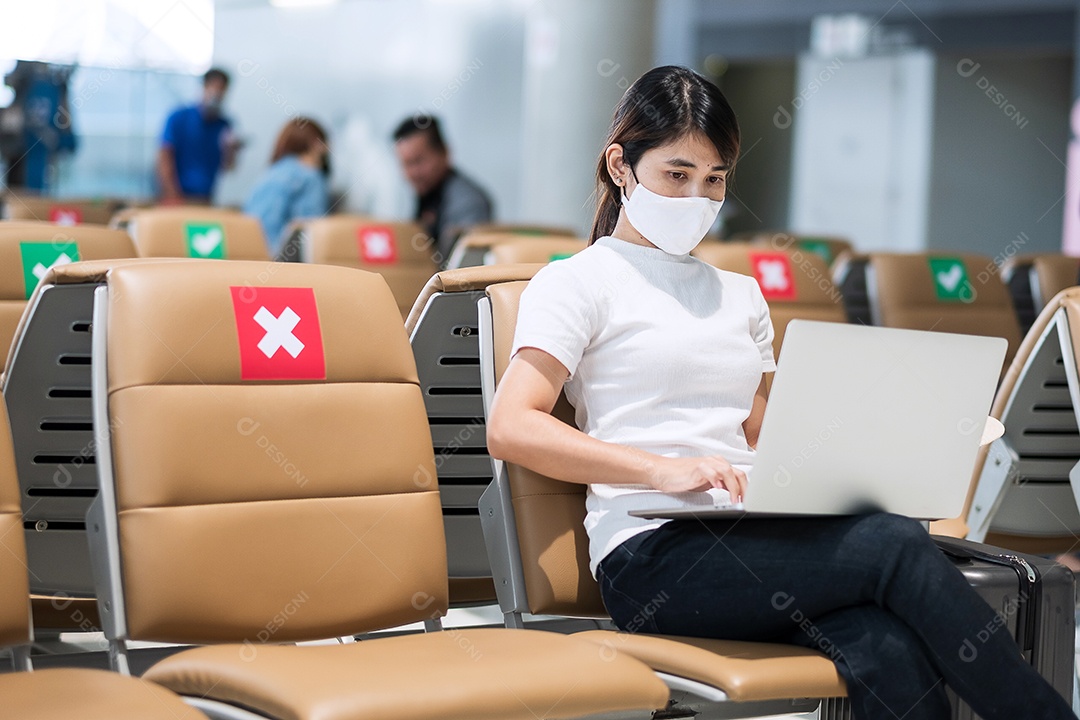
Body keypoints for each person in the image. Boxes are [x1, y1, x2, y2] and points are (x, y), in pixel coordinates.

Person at [486, 65, 1075, 720]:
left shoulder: (739, 294)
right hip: (650, 554)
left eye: (713, 180)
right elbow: (512, 426)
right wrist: (659, 467)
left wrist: (868, 463)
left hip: (756, 539)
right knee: (891, 546)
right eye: (676, 175)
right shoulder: (576, 283)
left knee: (886, 647)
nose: (697, 198)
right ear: (621, 165)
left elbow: (761, 435)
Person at [392, 114, 492, 265]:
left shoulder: (469, 204)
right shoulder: (424, 194)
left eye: (418, 161)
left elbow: (462, 272)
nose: (412, 173)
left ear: (445, 153)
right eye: (406, 164)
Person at [244, 117, 330, 254]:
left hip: (253, 258)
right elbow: (314, 232)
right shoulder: (311, 177)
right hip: (288, 264)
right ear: (316, 144)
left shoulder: (268, 174)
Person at [157, 68, 239, 204]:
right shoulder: (179, 118)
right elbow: (164, 158)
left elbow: (228, 167)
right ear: (204, 87)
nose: (218, 94)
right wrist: (173, 195)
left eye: (222, 90)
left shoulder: (224, 125)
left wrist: (231, 150)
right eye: (215, 88)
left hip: (205, 198)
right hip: (175, 197)